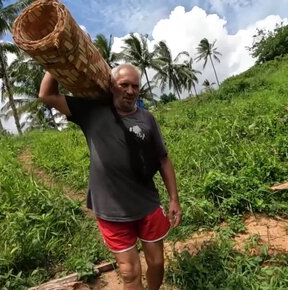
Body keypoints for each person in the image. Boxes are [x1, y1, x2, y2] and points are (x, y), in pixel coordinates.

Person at [39, 63, 182, 290]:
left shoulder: (147, 119)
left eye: (135, 86)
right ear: (111, 86)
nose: (130, 91)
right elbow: (47, 95)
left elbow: (163, 159)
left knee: (156, 262)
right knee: (129, 273)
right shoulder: (91, 112)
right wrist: (54, 60)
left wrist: (174, 199)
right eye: (124, 84)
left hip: (147, 203)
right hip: (110, 209)